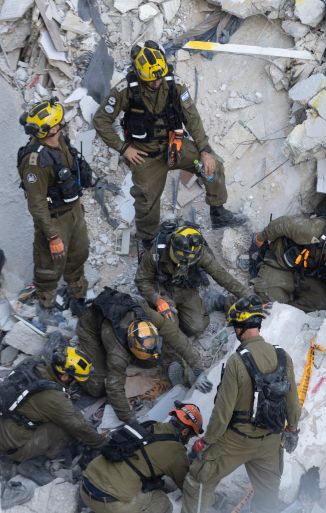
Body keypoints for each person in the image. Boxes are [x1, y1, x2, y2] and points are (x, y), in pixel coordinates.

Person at [92, 40, 244, 252]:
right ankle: (147, 241)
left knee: (213, 166)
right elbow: (101, 120)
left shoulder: (175, 84)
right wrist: (124, 148)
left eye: (159, 77)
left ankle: (218, 212)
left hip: (175, 146)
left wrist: (205, 150)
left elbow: (193, 119)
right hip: (145, 155)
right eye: (152, 80)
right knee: (146, 200)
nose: (157, 83)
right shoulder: (126, 90)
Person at [181, 296, 300, 513]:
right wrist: (292, 429)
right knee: (267, 495)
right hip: (271, 442)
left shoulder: (237, 361)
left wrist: (208, 441)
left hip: (237, 440)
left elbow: (223, 410)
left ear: (240, 327)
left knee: (198, 481)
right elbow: (292, 402)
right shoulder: (283, 356)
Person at [76, 287, 212, 424]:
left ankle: (155, 360)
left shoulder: (146, 315)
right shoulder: (117, 352)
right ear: (131, 347)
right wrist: (130, 420)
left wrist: (198, 370)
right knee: (98, 387)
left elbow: (176, 337)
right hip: (90, 329)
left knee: (154, 358)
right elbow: (114, 387)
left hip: (115, 319)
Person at [17, 98, 95, 315]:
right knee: (49, 265)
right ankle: (46, 300)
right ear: (48, 129)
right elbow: (37, 203)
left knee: (79, 254)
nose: (61, 126)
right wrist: (52, 236)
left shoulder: (59, 141)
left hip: (73, 211)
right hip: (54, 218)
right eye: (58, 124)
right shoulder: (35, 162)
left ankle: (77, 294)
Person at [80, 402, 203, 513]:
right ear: (185, 432)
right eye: (191, 436)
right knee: (162, 503)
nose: (188, 440)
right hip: (108, 503)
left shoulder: (149, 426)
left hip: (85, 485)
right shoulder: (176, 451)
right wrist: (193, 457)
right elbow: (188, 487)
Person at [135, 223, 250, 337]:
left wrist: (248, 296)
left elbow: (221, 274)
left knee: (197, 327)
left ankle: (216, 301)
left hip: (185, 289)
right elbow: (141, 280)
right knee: (169, 329)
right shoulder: (157, 252)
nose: (183, 263)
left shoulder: (198, 252)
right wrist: (157, 300)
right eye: (180, 258)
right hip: (162, 290)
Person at [0, 346, 105, 462]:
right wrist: (102, 444)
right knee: (64, 427)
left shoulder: (31, 362)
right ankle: (40, 462)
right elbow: (79, 427)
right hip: (12, 448)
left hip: (5, 417)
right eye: (75, 380)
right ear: (65, 376)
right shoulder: (55, 398)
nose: (76, 383)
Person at [251, 213, 326, 312]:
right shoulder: (314, 232)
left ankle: (288, 312)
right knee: (270, 299)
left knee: (321, 303)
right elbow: (284, 223)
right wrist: (260, 238)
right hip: (282, 258)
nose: (325, 263)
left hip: (308, 272)